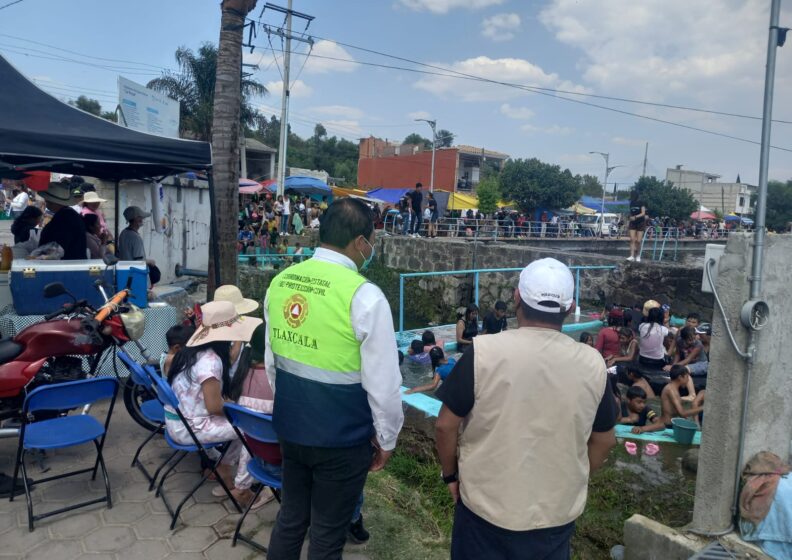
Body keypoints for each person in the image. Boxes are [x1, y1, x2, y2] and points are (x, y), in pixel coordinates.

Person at [435, 258, 617, 559]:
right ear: (570, 308)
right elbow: (605, 440)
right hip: (554, 518)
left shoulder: (483, 351)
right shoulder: (593, 364)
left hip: (485, 508)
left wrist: (450, 476)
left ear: (517, 297)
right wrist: (571, 479)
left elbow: (445, 425)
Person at [264, 198, 404, 559]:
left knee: (290, 519)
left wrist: (293, 410)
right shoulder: (365, 296)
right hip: (342, 439)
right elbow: (384, 384)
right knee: (327, 536)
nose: (370, 250)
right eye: (371, 242)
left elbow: (273, 363)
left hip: (291, 427)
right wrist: (386, 438)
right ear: (360, 242)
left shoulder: (280, 283)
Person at [165, 301, 262, 492]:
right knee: (252, 430)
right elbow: (214, 408)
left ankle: (222, 466)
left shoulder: (190, 351)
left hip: (177, 422)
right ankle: (241, 487)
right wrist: (241, 410)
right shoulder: (210, 361)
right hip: (189, 428)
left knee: (241, 422)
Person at [633, 366, 704, 433]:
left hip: (669, 424)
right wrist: (703, 407)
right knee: (640, 429)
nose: (688, 380)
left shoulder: (673, 389)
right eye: (687, 377)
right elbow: (682, 413)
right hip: (665, 425)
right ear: (680, 377)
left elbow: (675, 411)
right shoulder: (671, 390)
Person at [38, 183, 87, 260]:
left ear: (51, 202)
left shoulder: (65, 217)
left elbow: (58, 248)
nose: (45, 202)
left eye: (47, 200)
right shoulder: (66, 214)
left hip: (68, 264)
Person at [118, 206, 160, 285]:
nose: (142, 220)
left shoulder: (123, 233)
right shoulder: (135, 237)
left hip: (125, 274)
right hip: (136, 276)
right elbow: (138, 262)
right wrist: (150, 262)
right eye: (141, 217)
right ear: (136, 219)